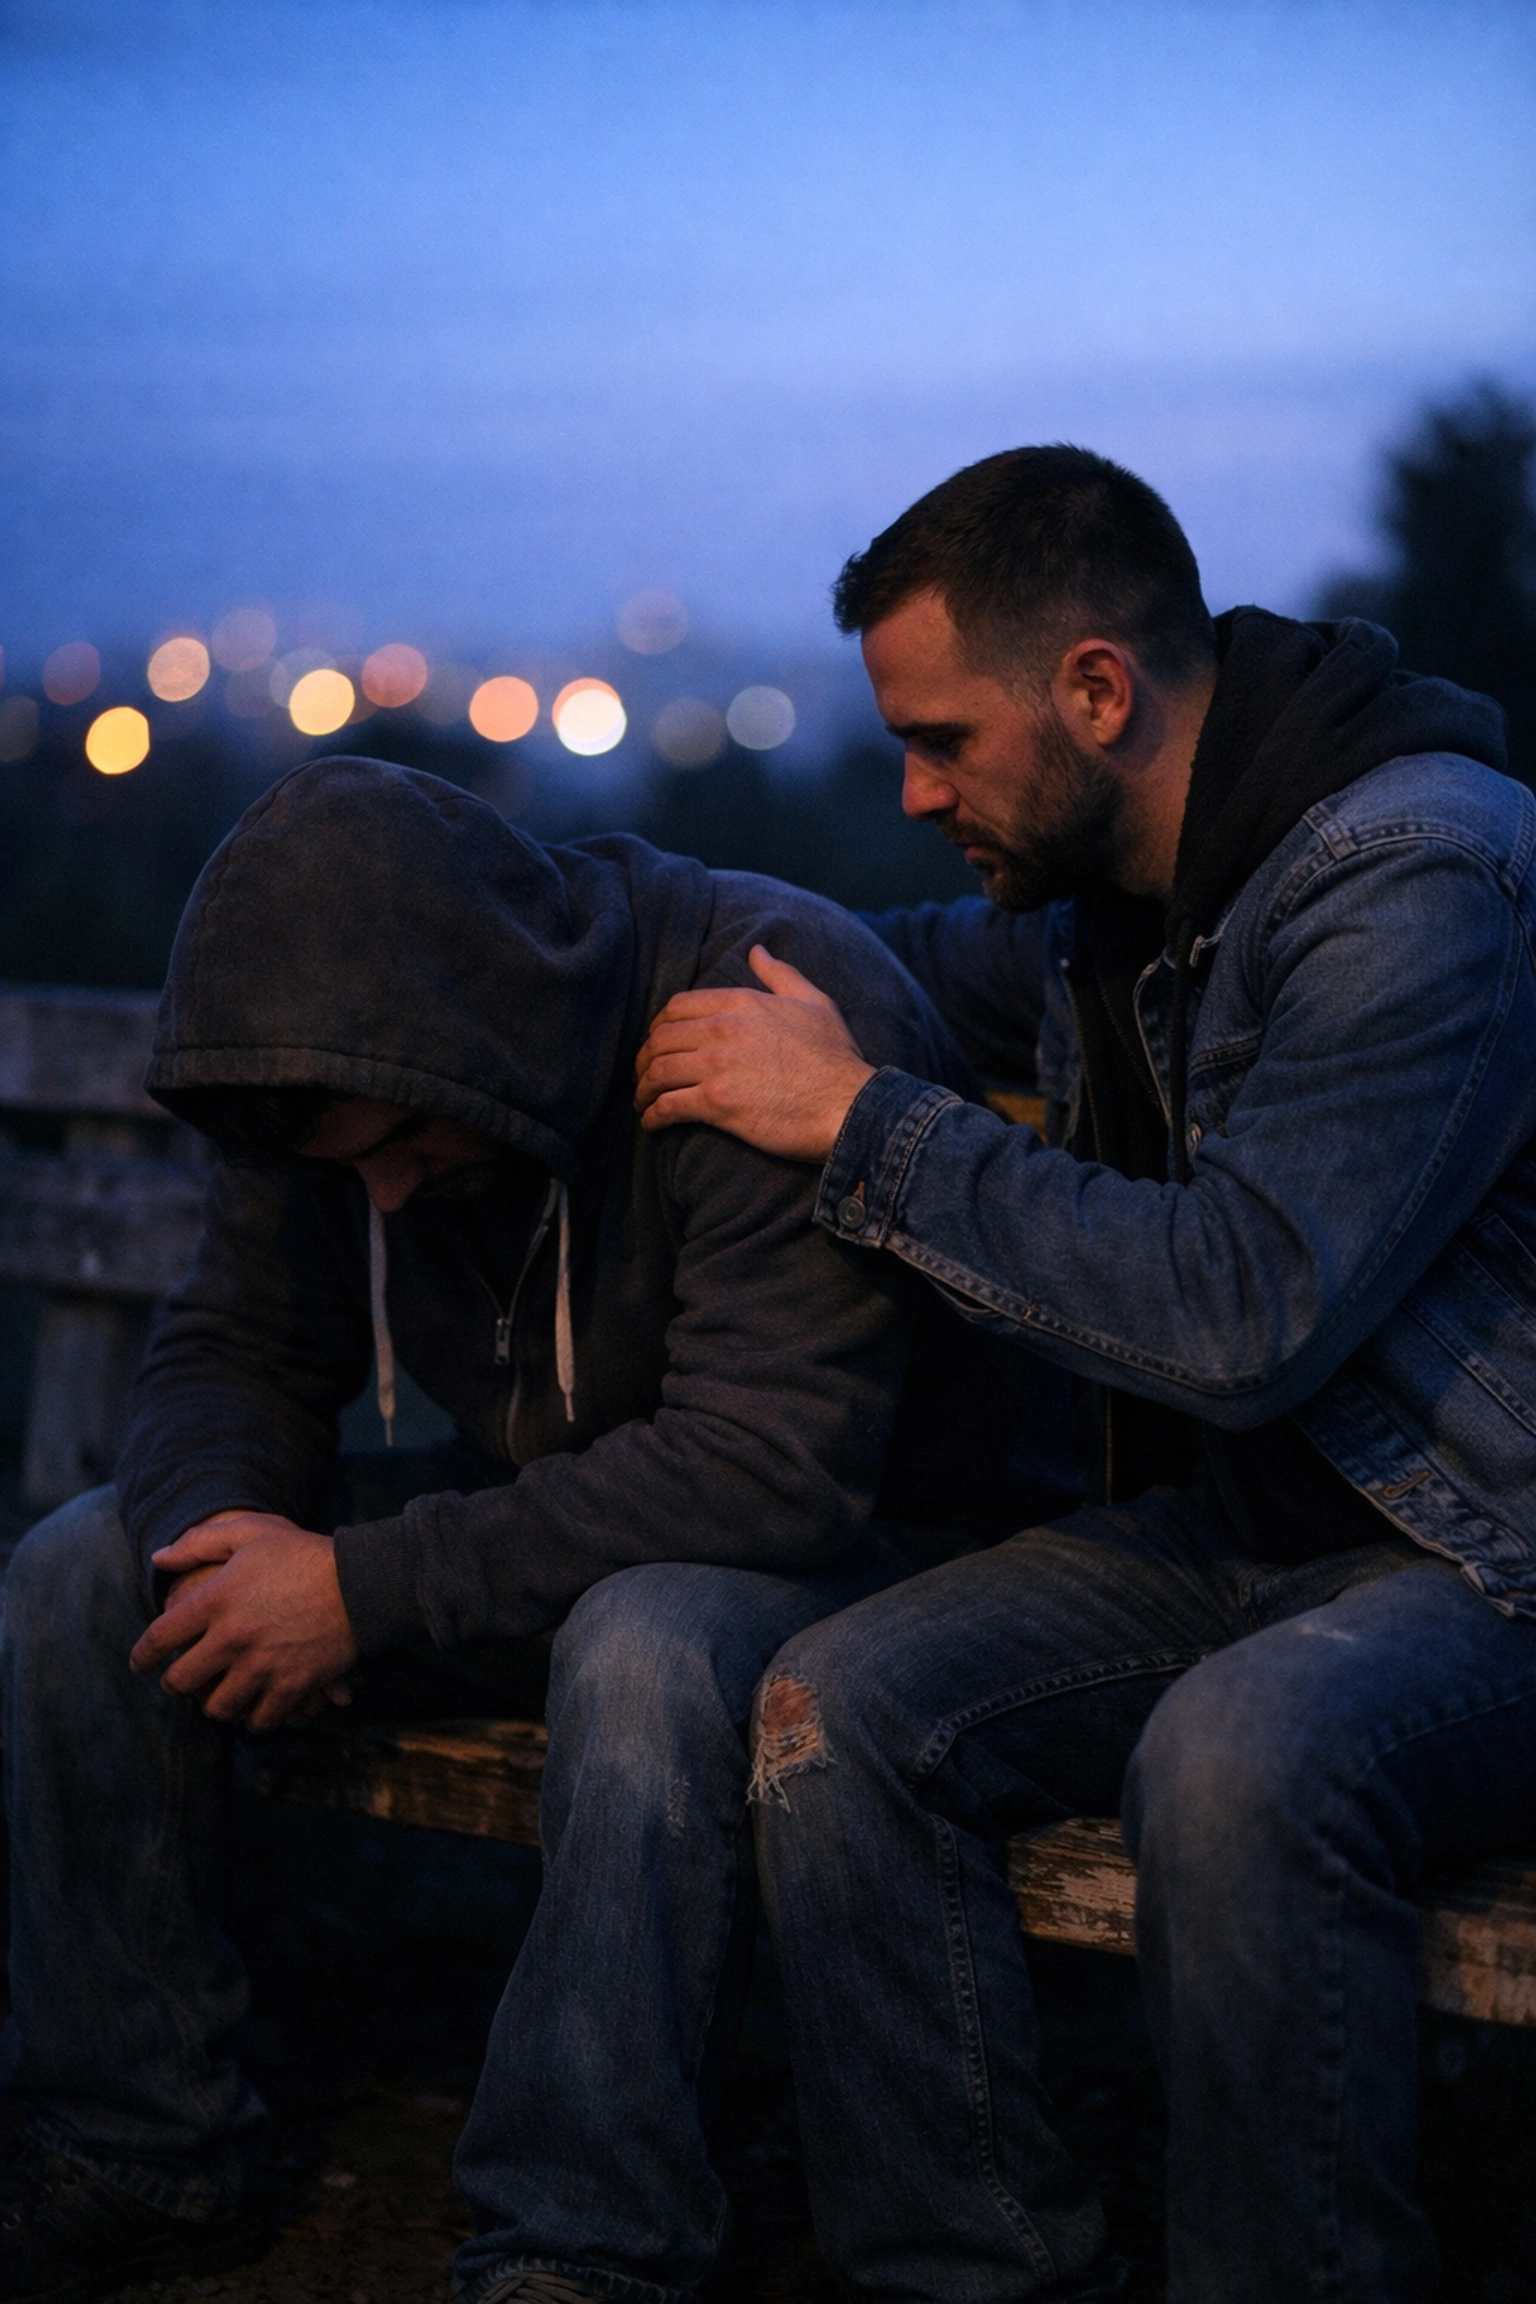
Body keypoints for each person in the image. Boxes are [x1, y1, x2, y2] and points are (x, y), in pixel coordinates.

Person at [633, 443, 1536, 2302]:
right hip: (1249, 1534)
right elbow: (884, 969)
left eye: (946, 740)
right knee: (833, 1708)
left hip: (1480, 1552)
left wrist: (866, 1126)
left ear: (1098, 692)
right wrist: (591, 946)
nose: (912, 788)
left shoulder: (1411, 873)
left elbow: (1242, 1308)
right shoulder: (1106, 885)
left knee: (1237, 1756)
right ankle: (959, 2272)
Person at [0, 756, 1072, 2304]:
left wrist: (364, 1591)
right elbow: (235, 1341)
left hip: (882, 1550)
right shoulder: (313, 1065)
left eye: (408, 1153)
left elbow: (774, 1468)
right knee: (86, 1572)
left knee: (645, 1640)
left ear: (469, 1045)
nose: (378, 1200)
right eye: (344, 1167)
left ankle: (581, 2239)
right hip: (577, 1529)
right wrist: (230, 1538)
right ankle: (137, 2141)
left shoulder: (754, 1002)